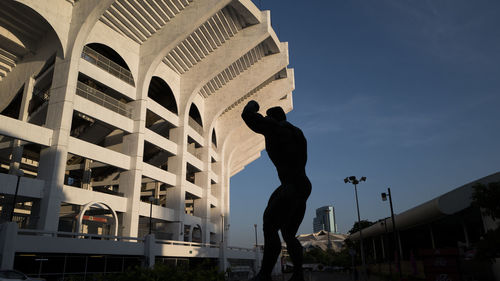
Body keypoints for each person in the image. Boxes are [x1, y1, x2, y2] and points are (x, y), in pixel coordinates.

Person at [241, 100, 312, 281]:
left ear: (271, 118)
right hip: (303, 184)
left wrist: (254, 104)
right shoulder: (298, 133)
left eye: (267, 117)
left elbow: (247, 115)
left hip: (290, 185)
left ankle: (264, 275)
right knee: (288, 234)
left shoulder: (274, 127)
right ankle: (298, 275)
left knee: (269, 224)